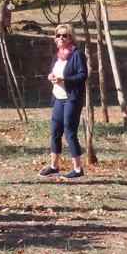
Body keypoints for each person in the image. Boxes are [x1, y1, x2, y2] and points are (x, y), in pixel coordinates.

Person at [39, 23, 87, 179]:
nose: (60, 38)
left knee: (69, 131)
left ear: (71, 37)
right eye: (58, 35)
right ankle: (54, 166)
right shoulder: (59, 55)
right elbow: (54, 72)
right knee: (55, 131)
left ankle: (78, 169)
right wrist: (51, 76)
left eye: (64, 35)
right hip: (58, 97)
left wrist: (64, 80)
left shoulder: (77, 54)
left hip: (71, 98)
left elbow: (82, 75)